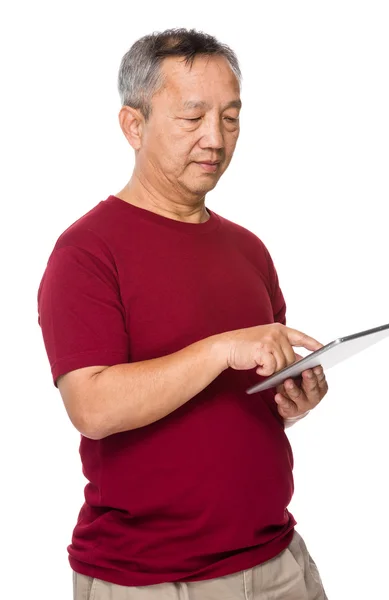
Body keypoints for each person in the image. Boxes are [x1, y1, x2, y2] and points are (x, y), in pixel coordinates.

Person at [37, 28, 329, 600]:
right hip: (152, 582)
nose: (215, 139)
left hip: (276, 560)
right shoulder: (86, 252)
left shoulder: (249, 248)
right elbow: (92, 408)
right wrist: (220, 349)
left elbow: (233, 414)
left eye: (230, 117)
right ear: (134, 126)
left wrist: (290, 402)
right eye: (192, 117)